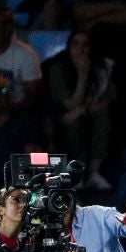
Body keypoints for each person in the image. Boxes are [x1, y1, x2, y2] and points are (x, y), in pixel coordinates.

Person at [46, 29, 116, 190]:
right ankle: (77, 174)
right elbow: (71, 105)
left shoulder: (100, 67)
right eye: (75, 44)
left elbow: (107, 101)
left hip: (85, 113)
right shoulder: (58, 68)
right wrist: (82, 75)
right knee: (74, 123)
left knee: (103, 119)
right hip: (59, 117)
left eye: (85, 44)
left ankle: (94, 174)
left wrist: (82, 110)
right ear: (69, 47)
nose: (81, 49)